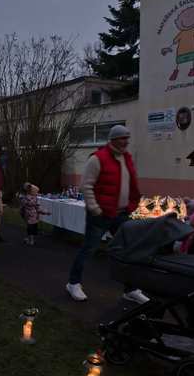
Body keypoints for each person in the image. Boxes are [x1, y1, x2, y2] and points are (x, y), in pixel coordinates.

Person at [66, 125, 149, 304]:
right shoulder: (97, 158)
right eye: (122, 138)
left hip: (121, 214)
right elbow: (86, 186)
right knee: (89, 249)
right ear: (113, 140)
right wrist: (95, 209)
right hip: (101, 214)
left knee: (128, 251)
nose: (126, 141)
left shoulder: (127, 158)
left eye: (127, 138)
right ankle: (73, 283)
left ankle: (130, 289)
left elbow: (131, 184)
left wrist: (132, 205)